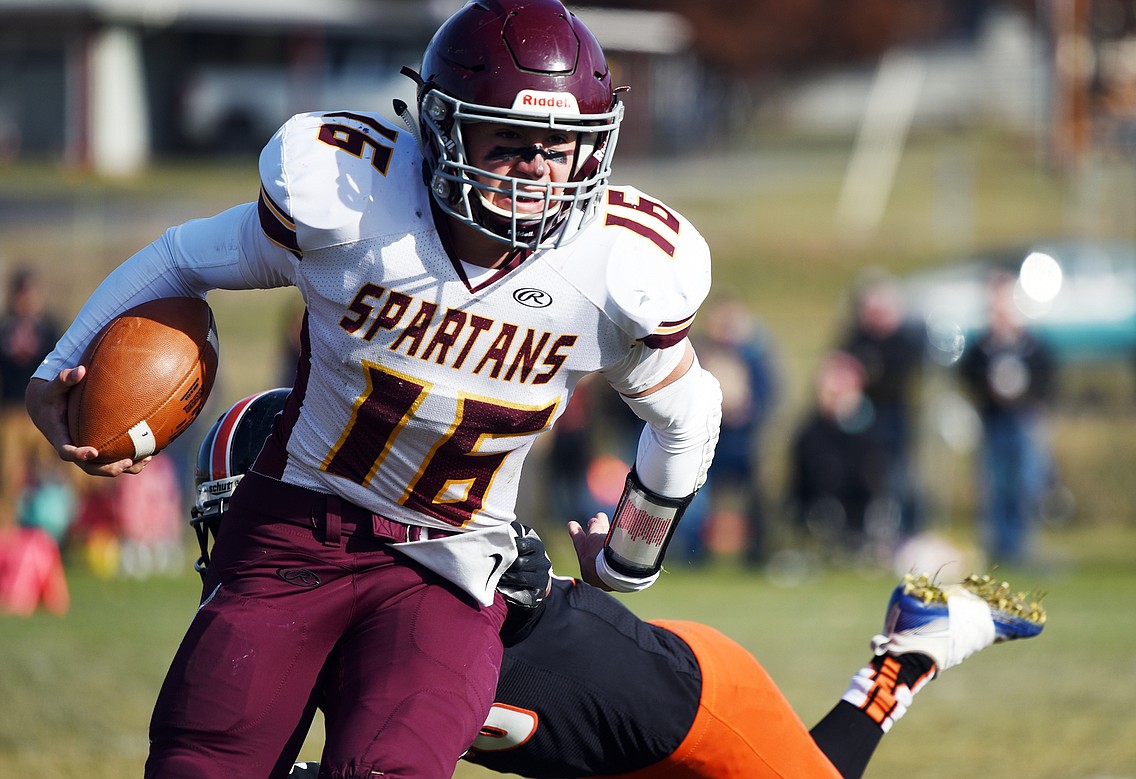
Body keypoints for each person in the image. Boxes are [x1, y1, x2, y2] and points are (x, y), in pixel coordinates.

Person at [24, 3, 722, 777]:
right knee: (201, 762)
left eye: (559, 148)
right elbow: (182, 257)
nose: (538, 171)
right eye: (511, 144)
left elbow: (690, 418)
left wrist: (628, 554)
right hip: (292, 531)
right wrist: (59, 368)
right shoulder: (357, 207)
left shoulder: (610, 273)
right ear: (444, 130)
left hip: (449, 565)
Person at [191, 388, 1046, 779]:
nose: (236, 549)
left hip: (693, 710)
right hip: (602, 756)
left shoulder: (437, 569)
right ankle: (911, 644)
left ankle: (909, 657)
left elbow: (499, 574)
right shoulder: (300, 631)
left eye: (246, 521)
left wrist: (522, 579)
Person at [957, 267, 1056, 566]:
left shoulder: (1032, 344)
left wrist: (1030, 399)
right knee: (995, 483)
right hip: (994, 421)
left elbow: (1046, 377)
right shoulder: (982, 347)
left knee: (1025, 482)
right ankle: (999, 545)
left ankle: (1021, 544)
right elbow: (969, 376)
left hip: (1023, 421)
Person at [690, 286, 781, 566]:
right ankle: (693, 554)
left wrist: (747, 412)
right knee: (695, 499)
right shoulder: (696, 352)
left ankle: (760, 554)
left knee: (758, 496)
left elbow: (769, 396)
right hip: (706, 442)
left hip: (742, 443)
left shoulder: (753, 355)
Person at [838, 268, 928, 540]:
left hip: (895, 420)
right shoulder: (856, 339)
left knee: (900, 480)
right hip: (862, 423)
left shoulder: (905, 340)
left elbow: (896, 378)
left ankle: (906, 534)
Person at [787, 351, 892, 561]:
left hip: (858, 500)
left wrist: (850, 423)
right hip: (819, 501)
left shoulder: (868, 428)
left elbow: (872, 472)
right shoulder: (811, 430)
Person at [0, 266, 64, 531]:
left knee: (53, 474)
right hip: (12, 412)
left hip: (42, 411)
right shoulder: (5, 329)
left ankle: (58, 530)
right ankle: (7, 531)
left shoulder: (49, 328)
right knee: (9, 477)